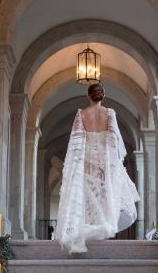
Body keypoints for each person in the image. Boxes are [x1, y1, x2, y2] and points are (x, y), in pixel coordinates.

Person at [56, 83, 140, 253]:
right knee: (106, 195)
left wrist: (77, 163)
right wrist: (116, 161)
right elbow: (114, 139)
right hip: (105, 161)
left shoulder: (81, 114)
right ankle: (102, 230)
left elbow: (77, 140)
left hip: (88, 161)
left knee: (89, 197)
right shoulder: (109, 113)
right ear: (104, 96)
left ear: (88, 96)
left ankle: (94, 229)